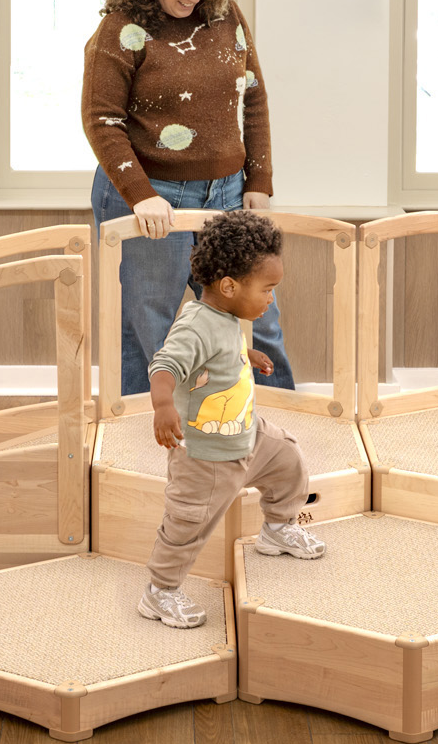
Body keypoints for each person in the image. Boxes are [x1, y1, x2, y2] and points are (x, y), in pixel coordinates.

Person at [83, 0, 294, 397]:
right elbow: (103, 121)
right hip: (150, 194)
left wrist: (258, 181)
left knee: (258, 319)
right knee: (148, 330)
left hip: (227, 195)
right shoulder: (121, 30)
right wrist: (140, 196)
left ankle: (276, 431)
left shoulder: (227, 18)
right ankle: (142, 442)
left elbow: (253, 97)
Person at [139, 211, 324, 628]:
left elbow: (222, 355)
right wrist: (163, 406)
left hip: (246, 434)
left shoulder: (227, 317)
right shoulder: (195, 325)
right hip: (205, 456)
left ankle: (277, 528)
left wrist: (247, 356)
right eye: (268, 289)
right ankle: (160, 591)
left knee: (289, 458)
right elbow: (165, 364)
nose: (271, 298)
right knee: (188, 524)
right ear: (229, 286)